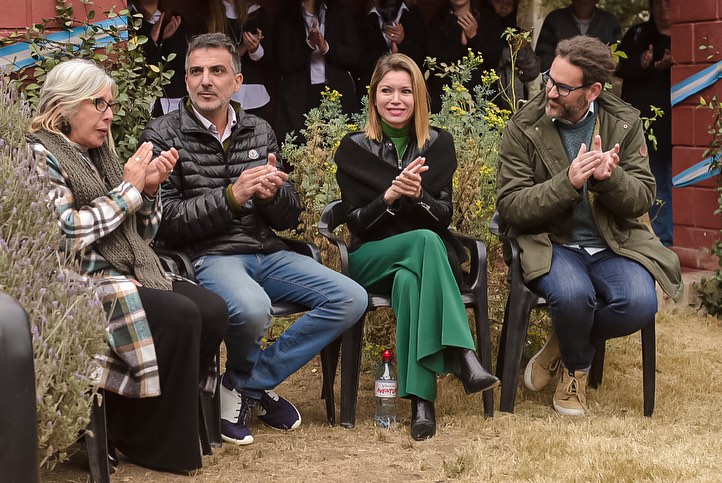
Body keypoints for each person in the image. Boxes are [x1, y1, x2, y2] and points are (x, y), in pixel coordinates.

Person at [141, 33, 368, 446]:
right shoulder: (162, 134)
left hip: (266, 250)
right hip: (210, 255)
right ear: (186, 80)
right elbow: (166, 221)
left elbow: (289, 216)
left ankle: (243, 384)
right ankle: (253, 389)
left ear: (237, 81)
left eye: (217, 71)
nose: (205, 80)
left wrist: (271, 195)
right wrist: (232, 197)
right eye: (196, 71)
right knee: (251, 308)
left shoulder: (259, 129)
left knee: (351, 298)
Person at [27, 59, 228, 472]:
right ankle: (150, 440)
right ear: (66, 105)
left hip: (125, 267)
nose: (109, 115)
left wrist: (148, 192)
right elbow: (64, 232)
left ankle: (134, 424)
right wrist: (128, 192)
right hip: (77, 280)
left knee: (212, 310)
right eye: (99, 104)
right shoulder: (40, 154)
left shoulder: (99, 154)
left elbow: (140, 235)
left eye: (111, 105)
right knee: (180, 315)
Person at [496, 36, 682, 417]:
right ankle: (576, 369)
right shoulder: (524, 125)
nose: (550, 91)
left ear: (593, 91)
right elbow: (511, 205)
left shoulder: (624, 121)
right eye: (549, 80)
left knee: (641, 302)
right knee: (573, 295)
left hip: (613, 244)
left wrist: (610, 180)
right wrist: (567, 183)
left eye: (562, 87)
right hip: (552, 242)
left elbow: (643, 197)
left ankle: (563, 344)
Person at [334, 53, 499, 440]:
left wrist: (419, 195)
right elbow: (355, 222)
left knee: (411, 281)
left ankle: (422, 405)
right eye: (386, 91)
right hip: (370, 257)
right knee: (425, 241)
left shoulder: (438, 145)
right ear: (374, 97)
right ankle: (462, 354)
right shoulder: (354, 148)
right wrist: (390, 197)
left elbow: (442, 217)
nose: (396, 99)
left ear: (419, 97)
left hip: (422, 263)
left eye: (405, 91)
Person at [617, 0, 673, 246]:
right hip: (646, 126)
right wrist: (643, 63)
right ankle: (665, 241)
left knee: (678, 182)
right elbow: (619, 66)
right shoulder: (638, 34)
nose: (663, 7)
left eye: (668, 2)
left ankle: (682, 238)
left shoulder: (686, 33)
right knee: (656, 183)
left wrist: (673, 64)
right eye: (657, 2)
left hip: (679, 127)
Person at [274, 0, 362, 145]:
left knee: (339, 144)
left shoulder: (339, 10)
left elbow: (354, 56)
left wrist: (325, 47)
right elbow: (285, 62)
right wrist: (309, 45)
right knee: (303, 146)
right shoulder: (287, 15)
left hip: (336, 92)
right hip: (299, 97)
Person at [201, 0, 280, 127]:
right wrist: (243, 48)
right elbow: (205, 59)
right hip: (219, 93)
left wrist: (255, 49)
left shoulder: (257, 13)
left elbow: (270, 61)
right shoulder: (206, 16)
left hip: (254, 95)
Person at [426, 0, 505, 112]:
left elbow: (493, 60)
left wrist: (473, 36)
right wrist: (461, 43)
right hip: (447, 98)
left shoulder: (488, 18)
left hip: (482, 97)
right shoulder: (438, 20)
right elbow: (432, 62)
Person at [128, 0, 191, 116]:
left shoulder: (174, 19)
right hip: (142, 107)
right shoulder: (126, 20)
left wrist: (167, 39)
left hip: (175, 105)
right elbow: (133, 68)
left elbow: (184, 67)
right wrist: (151, 41)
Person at [355, 0, 426, 95]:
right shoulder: (363, 18)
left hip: (409, 83)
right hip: (372, 84)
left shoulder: (414, 15)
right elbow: (358, 60)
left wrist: (402, 41)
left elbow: (422, 56)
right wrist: (389, 53)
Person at [535, 0, 621, 72]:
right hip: (560, 81)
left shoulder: (610, 22)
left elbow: (618, 59)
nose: (583, 1)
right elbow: (542, 58)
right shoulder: (554, 19)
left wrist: (595, 72)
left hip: (600, 82)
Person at [486, 0, 540, 111]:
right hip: (487, 97)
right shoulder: (479, 31)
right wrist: (510, 53)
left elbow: (532, 72)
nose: (504, 6)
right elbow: (484, 59)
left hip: (514, 104)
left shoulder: (516, 33)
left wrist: (521, 50)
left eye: (509, 3)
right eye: (499, 2)